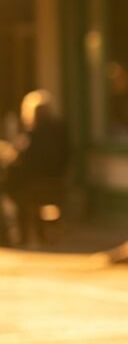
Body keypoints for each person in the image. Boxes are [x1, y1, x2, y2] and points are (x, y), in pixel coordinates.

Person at [5, 90, 70, 247]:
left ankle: (22, 235)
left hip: (36, 185)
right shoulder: (60, 130)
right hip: (57, 181)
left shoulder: (33, 135)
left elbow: (25, 162)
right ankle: (39, 232)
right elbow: (68, 155)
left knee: (13, 188)